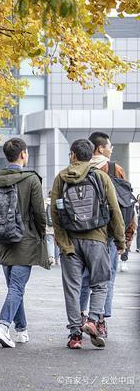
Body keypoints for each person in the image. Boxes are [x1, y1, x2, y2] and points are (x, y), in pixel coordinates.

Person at [50, 138, 125, 349]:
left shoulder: (61, 178)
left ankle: (75, 335)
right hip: (97, 240)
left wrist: (63, 244)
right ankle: (92, 320)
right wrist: (120, 241)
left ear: (73, 154)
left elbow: (55, 215)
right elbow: (114, 211)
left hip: (70, 241)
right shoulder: (101, 177)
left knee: (72, 288)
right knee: (100, 284)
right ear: (91, 155)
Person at [0, 138, 48, 348]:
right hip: (25, 239)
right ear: (23, 154)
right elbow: (39, 212)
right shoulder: (31, 179)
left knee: (14, 287)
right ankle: (3, 326)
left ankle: (21, 330)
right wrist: (42, 234)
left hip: (2, 239)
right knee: (16, 287)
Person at [78, 131, 136, 337]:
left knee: (84, 278)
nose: (111, 149)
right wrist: (126, 237)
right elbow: (125, 204)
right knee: (106, 279)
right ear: (101, 148)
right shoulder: (113, 169)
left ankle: (80, 318)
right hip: (109, 234)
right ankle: (100, 320)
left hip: (82, 233)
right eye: (109, 146)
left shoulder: (78, 169)